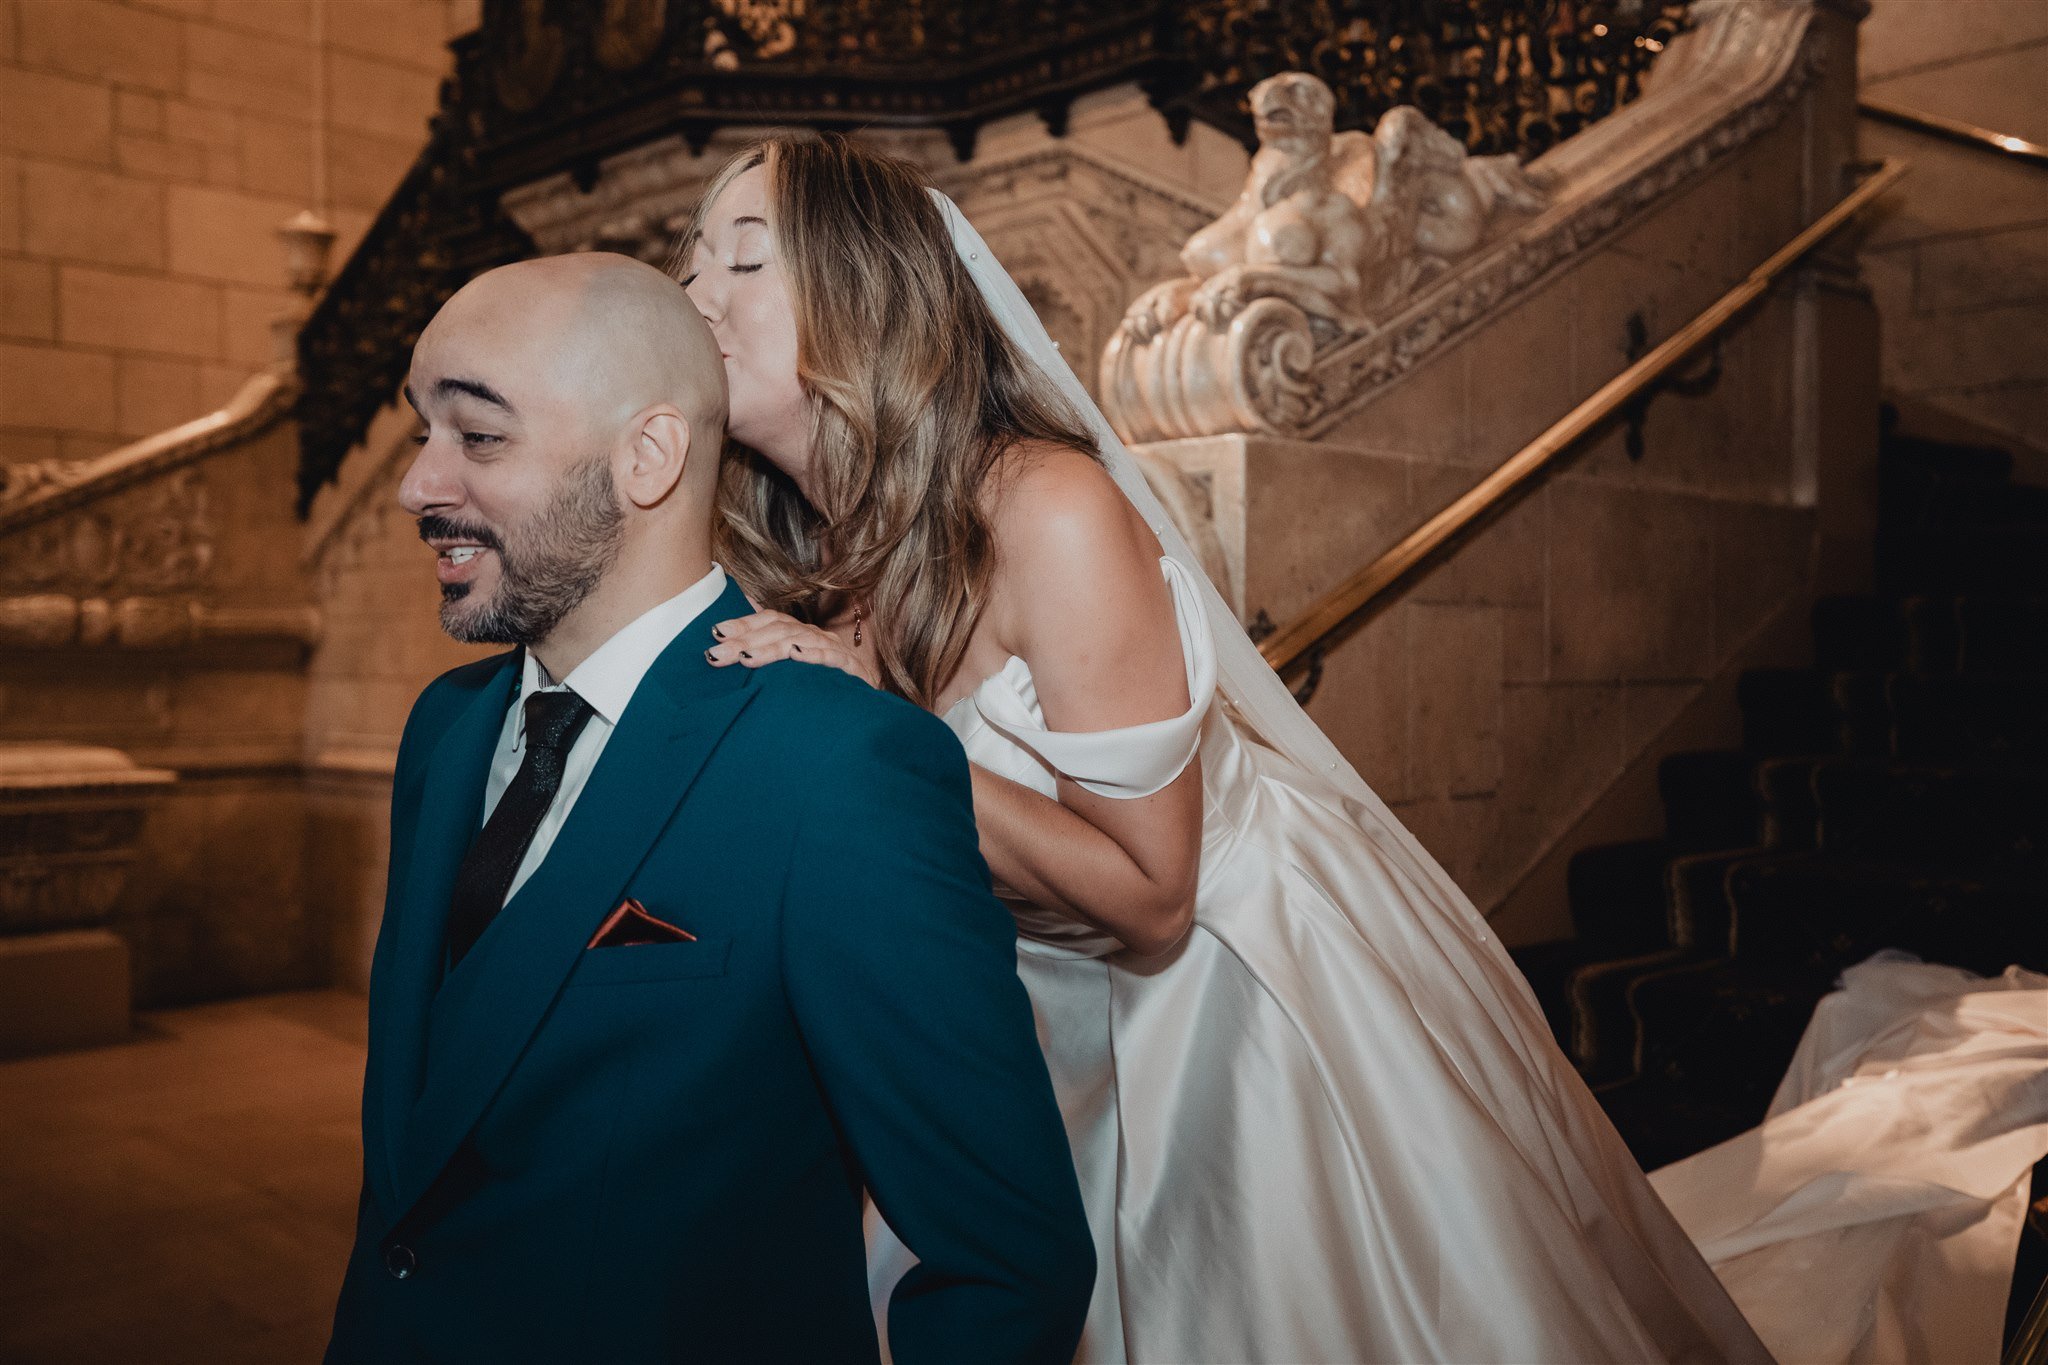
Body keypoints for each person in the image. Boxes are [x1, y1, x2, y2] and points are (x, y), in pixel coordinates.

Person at [680, 132, 1774, 1363]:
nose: (696, 300)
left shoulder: (1048, 510)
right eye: (687, 271)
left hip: (1234, 1011)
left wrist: (875, 737)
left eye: (744, 260)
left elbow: (1152, 900)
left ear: (865, 291)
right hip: (1034, 1018)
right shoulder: (820, 572)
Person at [325, 251, 1094, 1365]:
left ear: (646, 457)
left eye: (478, 437)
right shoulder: (443, 730)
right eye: (419, 431)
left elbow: (1007, 1262)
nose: (417, 485)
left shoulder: (837, 768)